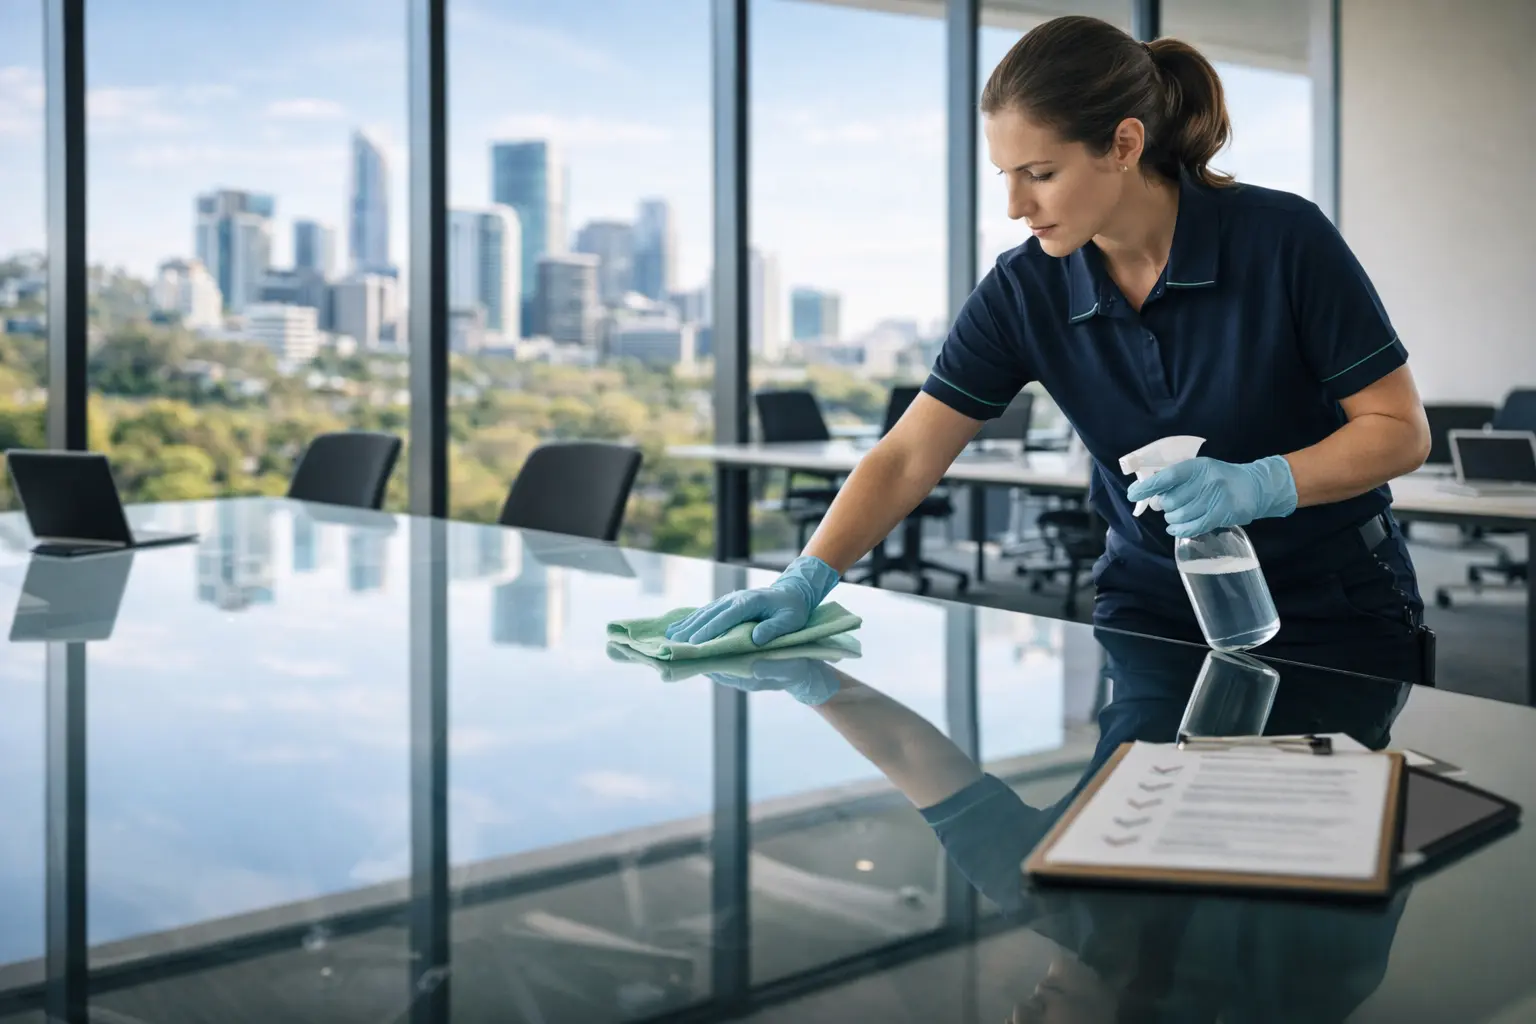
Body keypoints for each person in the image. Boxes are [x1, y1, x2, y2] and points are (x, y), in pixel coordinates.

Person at [668, 15, 1432, 682]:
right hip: (1150, 604)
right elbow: (907, 456)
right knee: (1130, 835)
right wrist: (807, 576)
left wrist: (1262, 483)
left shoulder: (1282, 240)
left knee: (1317, 832)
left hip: (1335, 598)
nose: (1014, 205)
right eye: (1005, 175)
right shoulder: (1024, 289)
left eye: (1040, 173)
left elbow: (1399, 431)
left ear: (1124, 144)